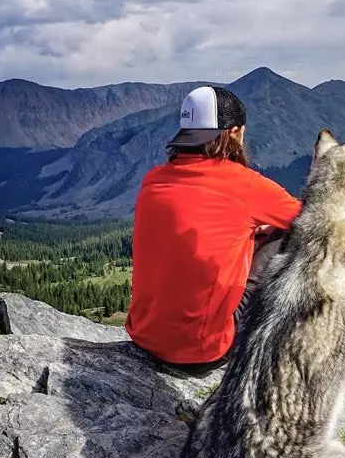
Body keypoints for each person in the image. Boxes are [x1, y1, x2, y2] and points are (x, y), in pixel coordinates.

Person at [126, 85, 302, 376]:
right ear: (234, 133)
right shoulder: (244, 184)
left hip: (145, 338)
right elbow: (311, 217)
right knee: (293, 232)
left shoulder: (154, 179)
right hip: (202, 353)